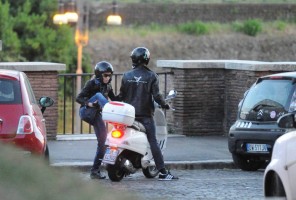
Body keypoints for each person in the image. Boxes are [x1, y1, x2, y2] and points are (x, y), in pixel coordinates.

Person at [117, 47, 178, 181]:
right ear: (147, 59)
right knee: (153, 141)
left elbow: (121, 96)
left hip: (128, 117)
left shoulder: (126, 76)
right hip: (145, 116)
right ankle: (162, 172)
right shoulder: (151, 76)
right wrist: (164, 104)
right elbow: (156, 96)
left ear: (133, 59)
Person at [76, 61, 117, 179]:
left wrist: (126, 94)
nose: (108, 78)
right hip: (86, 111)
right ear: (99, 75)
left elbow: (115, 99)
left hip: (97, 114)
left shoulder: (108, 86)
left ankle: (95, 171)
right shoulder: (91, 83)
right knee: (99, 95)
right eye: (105, 75)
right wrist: (89, 104)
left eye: (109, 75)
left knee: (104, 142)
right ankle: (109, 111)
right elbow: (78, 98)